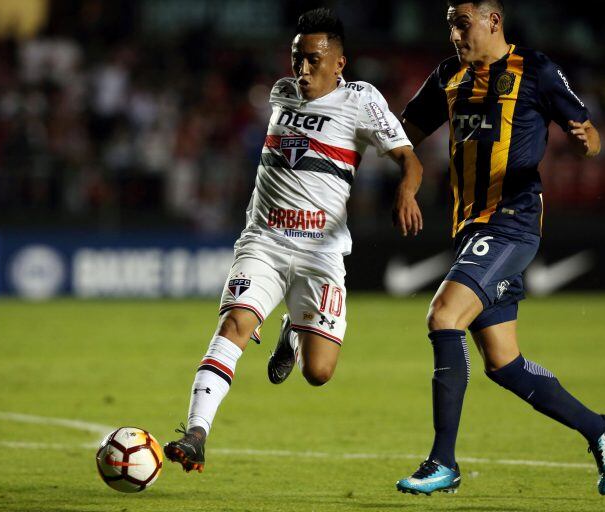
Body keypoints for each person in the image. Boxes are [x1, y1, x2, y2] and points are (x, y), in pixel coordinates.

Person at [164, 7, 424, 473]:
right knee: (234, 326)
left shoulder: (362, 101)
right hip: (262, 241)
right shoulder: (281, 93)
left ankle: (291, 328)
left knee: (319, 372)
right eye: (296, 58)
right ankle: (196, 433)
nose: (301, 70)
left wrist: (406, 190)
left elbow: (410, 159)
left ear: (340, 63)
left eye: (313, 60)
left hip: (321, 253)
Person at [395, 0, 605, 496]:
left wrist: (587, 142)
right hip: (469, 228)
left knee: (442, 316)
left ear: (492, 20)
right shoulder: (448, 76)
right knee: (504, 363)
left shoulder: (535, 70)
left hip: (512, 223)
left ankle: (442, 462)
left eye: (462, 23)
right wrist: (404, 177)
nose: (455, 34)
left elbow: (591, 137)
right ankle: (598, 428)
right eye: (450, 24)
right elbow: (403, 135)